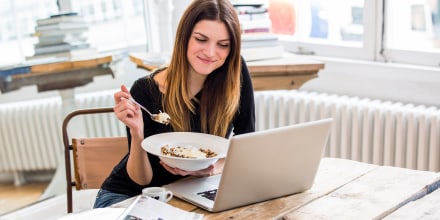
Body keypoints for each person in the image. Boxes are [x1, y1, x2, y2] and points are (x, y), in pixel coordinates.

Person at [93, 0, 255, 208]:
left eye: (223, 45)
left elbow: (247, 143)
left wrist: (212, 168)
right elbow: (141, 180)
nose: (211, 53)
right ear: (184, 37)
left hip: (192, 192)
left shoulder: (235, 73)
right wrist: (137, 133)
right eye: (201, 39)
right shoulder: (145, 90)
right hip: (130, 197)